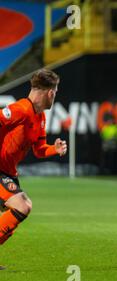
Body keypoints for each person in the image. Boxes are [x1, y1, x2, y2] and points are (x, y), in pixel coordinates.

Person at [0, 69, 67, 268]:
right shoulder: (20, 109)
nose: (55, 96)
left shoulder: (40, 118)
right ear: (50, 93)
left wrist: (53, 149)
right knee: (23, 205)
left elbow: (39, 150)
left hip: (9, 173)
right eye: (55, 91)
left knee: (17, 210)